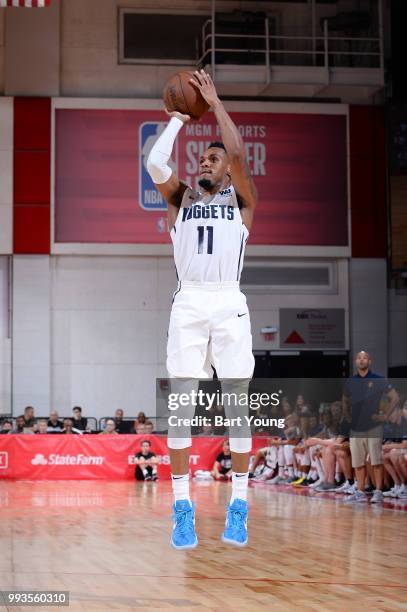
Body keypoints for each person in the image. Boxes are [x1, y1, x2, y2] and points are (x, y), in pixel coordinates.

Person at [147, 69, 257, 549]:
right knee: (179, 409)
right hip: (189, 299)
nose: (208, 162)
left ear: (227, 171)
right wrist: (176, 117)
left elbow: (237, 152)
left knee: (237, 407)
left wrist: (213, 105)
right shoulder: (182, 199)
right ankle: (182, 509)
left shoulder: (242, 202)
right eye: (204, 158)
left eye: (214, 158)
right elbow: (155, 161)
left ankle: (238, 507)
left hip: (229, 299)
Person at [343, 351, 399, 504]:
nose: (362, 360)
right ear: (356, 361)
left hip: (373, 426)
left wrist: (385, 415)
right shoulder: (351, 381)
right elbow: (345, 399)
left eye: (365, 358)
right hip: (356, 427)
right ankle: (360, 491)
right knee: (358, 462)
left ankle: (379, 491)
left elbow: (395, 397)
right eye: (359, 358)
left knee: (375, 460)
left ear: (370, 361)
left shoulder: (379, 380)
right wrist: (347, 414)